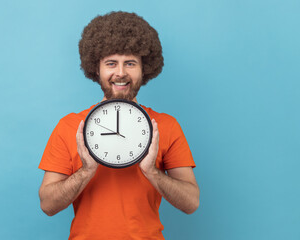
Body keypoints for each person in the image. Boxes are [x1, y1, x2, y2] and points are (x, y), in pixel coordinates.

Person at [38, 11, 200, 239]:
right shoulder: (69, 126)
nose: (121, 73)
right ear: (97, 68)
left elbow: (191, 202)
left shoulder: (166, 126)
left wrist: (152, 172)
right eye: (111, 63)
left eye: (130, 63)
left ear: (144, 69)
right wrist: (86, 171)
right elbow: (47, 205)